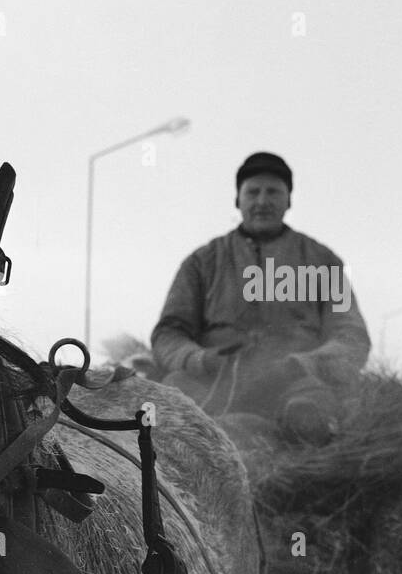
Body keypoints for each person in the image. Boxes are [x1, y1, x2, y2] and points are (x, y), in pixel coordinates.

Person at [151, 152, 370, 443]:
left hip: (296, 383)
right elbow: (168, 333)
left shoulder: (324, 262)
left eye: (273, 192)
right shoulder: (201, 262)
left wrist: (305, 363)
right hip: (213, 383)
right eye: (253, 192)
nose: (262, 201)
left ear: (289, 200)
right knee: (172, 406)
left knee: (310, 416)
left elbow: (351, 334)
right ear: (238, 200)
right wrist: (200, 359)